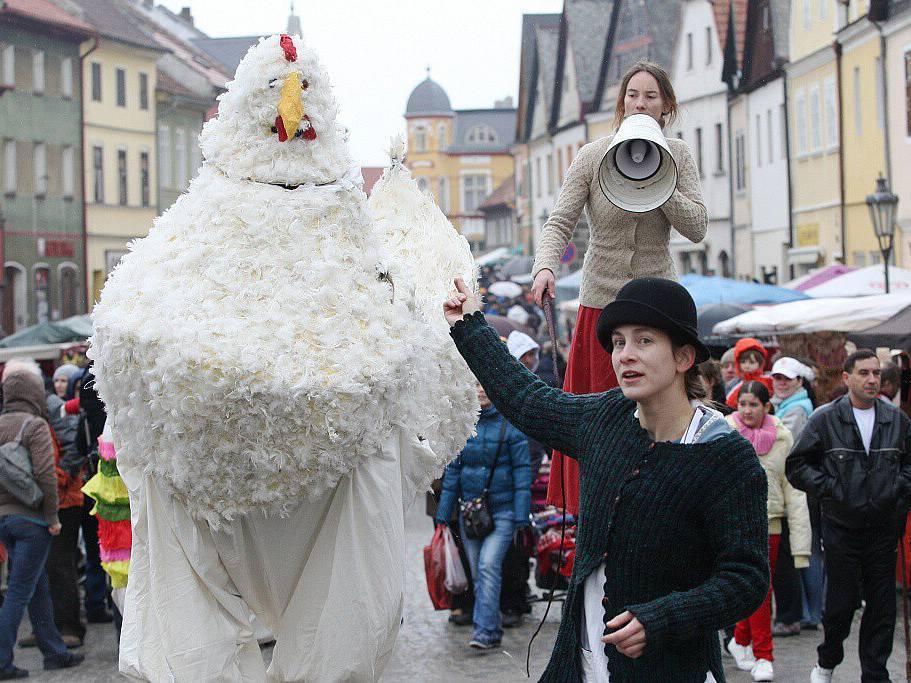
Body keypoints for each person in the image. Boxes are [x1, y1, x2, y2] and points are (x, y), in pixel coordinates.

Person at [444, 276, 768, 681]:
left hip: (669, 669)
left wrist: (662, 619)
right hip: (582, 662)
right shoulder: (606, 417)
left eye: (644, 340)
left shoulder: (724, 456)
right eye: (618, 342)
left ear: (684, 357)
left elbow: (746, 579)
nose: (625, 355)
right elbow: (529, 400)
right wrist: (469, 324)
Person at [529, 60, 708, 515]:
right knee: (602, 413)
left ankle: (660, 502)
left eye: (650, 96)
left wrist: (660, 181)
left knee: (658, 408)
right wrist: (545, 267)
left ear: (666, 105)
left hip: (655, 303)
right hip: (601, 303)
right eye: (633, 95)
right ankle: (598, 506)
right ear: (622, 103)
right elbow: (561, 219)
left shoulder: (680, 156)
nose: (641, 103)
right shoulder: (593, 155)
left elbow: (699, 227)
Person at [786, 349, 911, 683]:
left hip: (883, 529)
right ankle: (827, 661)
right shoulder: (826, 419)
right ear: (847, 377)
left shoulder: (896, 419)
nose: (872, 380)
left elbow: (909, 465)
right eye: (864, 373)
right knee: (841, 606)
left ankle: (875, 674)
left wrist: (897, 490)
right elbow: (797, 465)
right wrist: (831, 488)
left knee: (883, 609)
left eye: (876, 373)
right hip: (842, 528)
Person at [0, 362, 84, 679]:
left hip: (5, 521)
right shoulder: (34, 425)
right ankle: (2, 661)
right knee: (20, 591)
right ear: (35, 392)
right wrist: (52, 517)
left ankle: (54, 653)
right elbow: (46, 475)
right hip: (32, 520)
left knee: (37, 587)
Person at [434, 383, 531, 650]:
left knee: (488, 567)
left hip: (503, 512)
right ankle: (491, 627)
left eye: (485, 384)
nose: (480, 389)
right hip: (471, 514)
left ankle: (485, 631)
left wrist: (522, 516)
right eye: (475, 384)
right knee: (478, 573)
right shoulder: (463, 426)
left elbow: (523, 473)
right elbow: (453, 473)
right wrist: (443, 514)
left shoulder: (510, 425)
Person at [725, 381, 810, 682]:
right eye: (743, 404)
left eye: (754, 405)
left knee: (760, 588)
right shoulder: (724, 433)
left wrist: (801, 546)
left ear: (766, 407)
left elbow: (795, 491)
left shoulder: (783, 438)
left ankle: (741, 638)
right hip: (734, 524)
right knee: (757, 589)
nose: (747, 411)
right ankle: (763, 654)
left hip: (771, 522)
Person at [770, 357, 815, 443]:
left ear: (799, 381)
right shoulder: (777, 403)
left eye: (788, 378)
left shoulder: (798, 409)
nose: (782, 383)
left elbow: (782, 444)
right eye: (778, 378)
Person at [725, 338, 773, 409]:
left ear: (760, 363)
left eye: (752, 362)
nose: (747, 365)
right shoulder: (736, 384)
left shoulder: (768, 380)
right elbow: (730, 402)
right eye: (743, 362)